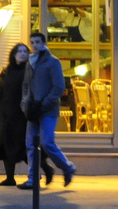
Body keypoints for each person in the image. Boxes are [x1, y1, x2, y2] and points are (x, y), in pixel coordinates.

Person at [20, 30, 76, 188]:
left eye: (38, 42)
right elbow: (25, 85)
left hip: (48, 110)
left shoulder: (53, 62)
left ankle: (67, 167)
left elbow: (59, 87)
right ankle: (32, 178)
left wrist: (44, 103)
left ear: (43, 43)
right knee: (30, 144)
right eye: (32, 42)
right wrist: (25, 103)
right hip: (32, 109)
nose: (35, 45)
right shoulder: (30, 62)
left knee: (46, 142)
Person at [0, 44, 52, 186]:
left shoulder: (30, 71)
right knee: (5, 145)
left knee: (25, 146)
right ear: (14, 54)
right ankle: (10, 177)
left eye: (25, 51)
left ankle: (45, 169)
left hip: (22, 114)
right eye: (19, 51)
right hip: (7, 113)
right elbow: (2, 89)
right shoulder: (7, 71)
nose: (22, 54)